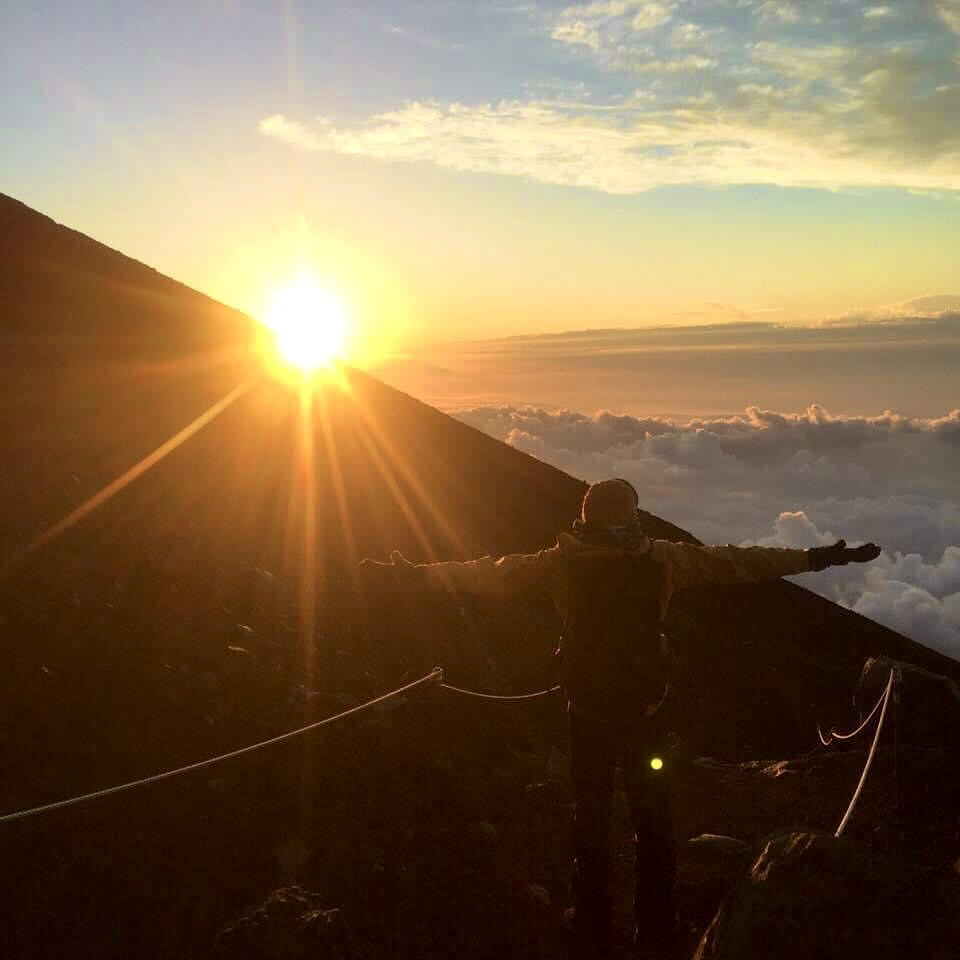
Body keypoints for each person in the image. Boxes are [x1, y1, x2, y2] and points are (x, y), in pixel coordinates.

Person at [361, 479, 881, 957]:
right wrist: (817, 558)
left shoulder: (560, 564)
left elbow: (486, 574)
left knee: (590, 818)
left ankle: (590, 925)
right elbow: (739, 562)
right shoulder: (663, 560)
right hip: (645, 713)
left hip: (587, 714)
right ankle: (655, 929)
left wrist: (413, 576)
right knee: (653, 823)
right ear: (631, 515)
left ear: (585, 517)